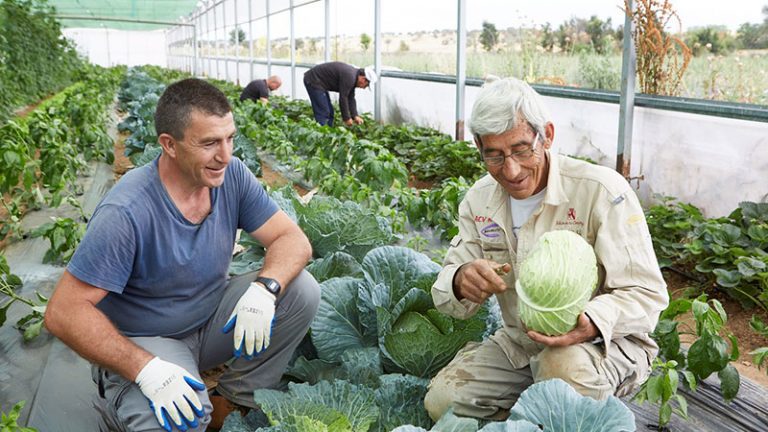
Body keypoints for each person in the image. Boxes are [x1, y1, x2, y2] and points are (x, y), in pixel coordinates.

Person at [44, 78, 320, 432]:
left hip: (209, 324)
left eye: (229, 138)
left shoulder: (231, 175)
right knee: (181, 419)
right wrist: (146, 369)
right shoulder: (127, 211)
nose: (225, 155)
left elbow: (291, 238)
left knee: (301, 290)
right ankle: (123, 398)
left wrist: (265, 289)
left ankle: (234, 401)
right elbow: (63, 312)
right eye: (209, 143)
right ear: (169, 145)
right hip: (146, 339)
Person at [423, 77, 669, 421]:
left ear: (547, 135)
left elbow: (647, 293)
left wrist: (594, 322)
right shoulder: (479, 200)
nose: (510, 170)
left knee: (562, 376)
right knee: (444, 402)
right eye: (493, 156)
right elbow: (446, 292)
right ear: (479, 149)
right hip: (520, 344)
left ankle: (572, 408)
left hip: (604, 344)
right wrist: (461, 280)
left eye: (522, 150)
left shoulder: (599, 191)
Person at [303, 61, 377, 126]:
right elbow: (343, 98)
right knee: (324, 112)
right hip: (313, 80)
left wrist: (355, 116)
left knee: (330, 113)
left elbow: (350, 98)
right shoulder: (350, 77)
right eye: (366, 85)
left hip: (319, 83)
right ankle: (322, 136)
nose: (364, 88)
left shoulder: (353, 76)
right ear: (363, 79)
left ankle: (328, 134)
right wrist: (346, 118)